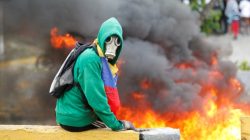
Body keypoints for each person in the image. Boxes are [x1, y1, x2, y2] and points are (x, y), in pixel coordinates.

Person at [55, 17, 135, 132]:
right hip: (74, 120)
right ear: (102, 38)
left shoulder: (96, 54)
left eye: (117, 42)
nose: (113, 46)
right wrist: (117, 125)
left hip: (70, 115)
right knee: (106, 125)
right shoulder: (91, 60)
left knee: (104, 121)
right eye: (109, 40)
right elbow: (96, 99)